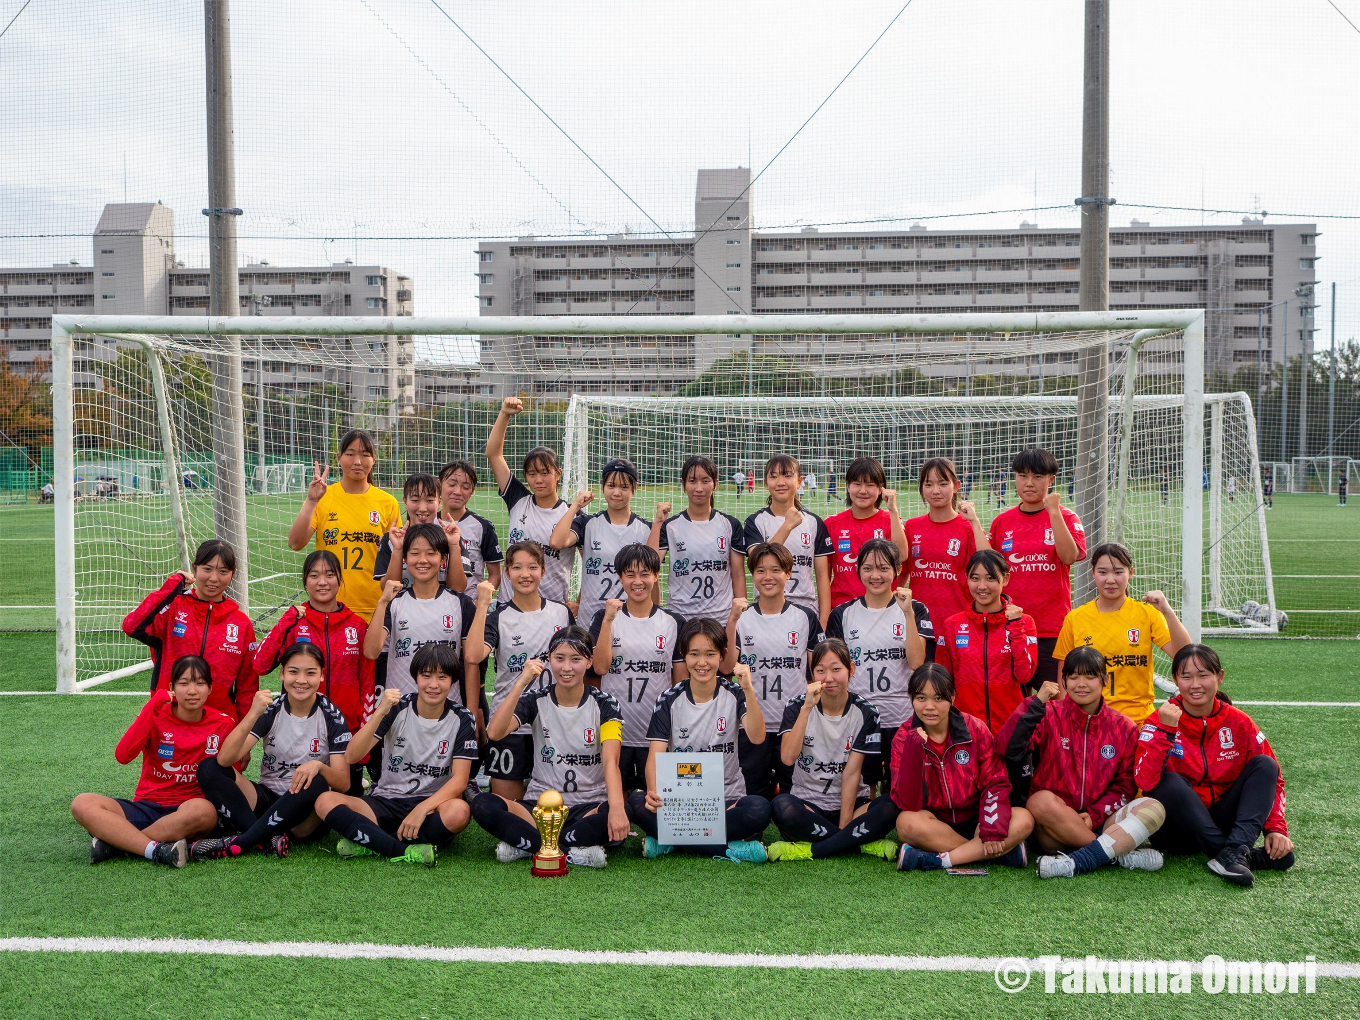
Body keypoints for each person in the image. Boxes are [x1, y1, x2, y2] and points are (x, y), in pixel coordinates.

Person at [473, 627, 635, 868]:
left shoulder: (605, 704)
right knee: (482, 804)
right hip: (539, 808)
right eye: (559, 659)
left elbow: (611, 761)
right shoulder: (536, 700)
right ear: (549, 660)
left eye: (576, 659)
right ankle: (572, 850)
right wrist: (521, 682)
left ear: (589, 661)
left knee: (622, 809)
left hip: (587, 806)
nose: (566, 668)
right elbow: (495, 732)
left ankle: (528, 845)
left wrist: (618, 810)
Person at [998, 646, 1166, 878]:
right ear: (1064, 682)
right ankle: (1114, 855)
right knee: (1039, 801)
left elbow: (1125, 786)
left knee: (1153, 808)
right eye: (1074, 677)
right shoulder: (1048, 713)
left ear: (1105, 680)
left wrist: (1094, 815)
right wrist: (1035, 704)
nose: (1081, 684)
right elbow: (1008, 747)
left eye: (1090, 676)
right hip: (1053, 826)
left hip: (1100, 821)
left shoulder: (1124, 727)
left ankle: (1083, 858)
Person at [1135, 644, 1294, 887]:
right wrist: (1166, 732)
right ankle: (1236, 854)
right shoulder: (1159, 719)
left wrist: (1276, 829)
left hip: (1223, 820)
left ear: (1219, 677)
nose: (1195, 684)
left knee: (1265, 765)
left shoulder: (1239, 722)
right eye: (1186, 676)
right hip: (1175, 831)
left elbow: (1275, 780)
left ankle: (1232, 851)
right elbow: (1145, 782)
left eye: (1203, 675)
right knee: (1169, 782)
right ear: (1175, 679)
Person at [314, 643, 479, 866]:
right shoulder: (396, 708)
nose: (433, 685)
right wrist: (380, 711)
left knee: (460, 811)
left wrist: (422, 809)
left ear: (452, 681)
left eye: (442, 677)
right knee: (325, 801)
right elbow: (352, 756)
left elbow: (460, 781)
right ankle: (403, 849)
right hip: (386, 799)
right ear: (415, 677)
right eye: (426, 676)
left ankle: (371, 843)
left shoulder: (462, 717)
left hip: (430, 805)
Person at [626, 619, 771, 863]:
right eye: (694, 654)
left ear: (722, 656)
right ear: (683, 655)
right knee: (637, 802)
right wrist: (652, 791)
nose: (702, 663)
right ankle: (728, 849)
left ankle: (670, 840)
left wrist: (748, 689)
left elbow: (757, 737)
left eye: (710, 654)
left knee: (759, 809)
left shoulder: (735, 694)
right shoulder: (669, 699)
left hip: (726, 800)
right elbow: (655, 756)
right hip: (682, 804)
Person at [191, 643, 353, 860]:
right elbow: (225, 759)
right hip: (268, 799)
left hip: (303, 814)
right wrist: (252, 714)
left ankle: (242, 842)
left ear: (322, 676)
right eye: (293, 672)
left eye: (310, 673)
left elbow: (343, 783)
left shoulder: (332, 715)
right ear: (282, 674)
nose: (301, 680)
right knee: (209, 768)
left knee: (318, 781)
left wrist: (318, 766)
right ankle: (267, 837)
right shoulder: (272, 709)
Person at [71, 655, 234, 867]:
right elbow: (123, 756)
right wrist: (152, 705)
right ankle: (155, 849)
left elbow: (230, 779)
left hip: (188, 810)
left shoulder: (224, 723)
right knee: (82, 803)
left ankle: (119, 843)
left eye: (200, 683)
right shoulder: (156, 714)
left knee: (203, 811)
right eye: (184, 683)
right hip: (147, 806)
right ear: (172, 687)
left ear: (210, 688)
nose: (192, 691)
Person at [890, 663, 1033, 871]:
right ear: (912, 699)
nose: (929, 706)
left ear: (952, 698)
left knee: (1024, 818)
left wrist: (991, 827)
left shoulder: (975, 728)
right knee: (905, 823)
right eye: (921, 698)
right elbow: (908, 802)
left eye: (938, 698)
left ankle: (940, 860)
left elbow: (995, 781)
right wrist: (914, 750)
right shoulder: (904, 737)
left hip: (978, 820)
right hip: (936, 825)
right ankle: (994, 855)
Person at [766, 639, 900, 861]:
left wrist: (845, 823)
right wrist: (807, 708)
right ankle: (857, 842)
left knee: (891, 804)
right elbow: (788, 758)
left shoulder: (867, 712)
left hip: (852, 806)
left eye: (836, 669)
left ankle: (812, 849)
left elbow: (852, 772)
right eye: (820, 670)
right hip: (808, 805)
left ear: (851, 669)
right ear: (812, 673)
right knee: (782, 807)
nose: (828, 678)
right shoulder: (796, 706)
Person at [253, 550, 374, 792]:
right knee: (298, 797)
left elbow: (367, 682)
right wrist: (287, 620)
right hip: (298, 733)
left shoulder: (358, 625)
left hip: (345, 732)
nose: (322, 582)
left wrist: (363, 732)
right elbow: (260, 665)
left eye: (330, 575)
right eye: (314, 575)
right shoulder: (294, 623)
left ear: (340, 579)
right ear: (305, 581)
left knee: (345, 800)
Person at [464, 543, 574, 800]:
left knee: (554, 802)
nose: (525, 574)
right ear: (507, 574)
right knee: (507, 806)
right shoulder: (499, 616)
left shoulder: (561, 612)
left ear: (543, 572)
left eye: (533, 567)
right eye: (517, 568)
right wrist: (482, 605)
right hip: (509, 724)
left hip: (553, 723)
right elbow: (472, 655)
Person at [824, 538, 929, 792]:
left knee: (902, 787)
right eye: (868, 568)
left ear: (897, 570)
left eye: (883, 568)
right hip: (860, 716)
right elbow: (834, 670)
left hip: (901, 715)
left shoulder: (915, 609)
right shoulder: (842, 614)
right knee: (865, 785)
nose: (876, 575)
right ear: (858, 570)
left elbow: (917, 662)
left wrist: (907, 614)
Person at [723, 542, 824, 800]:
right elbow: (725, 667)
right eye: (760, 571)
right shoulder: (741, 617)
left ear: (788, 573)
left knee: (795, 795)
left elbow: (817, 672)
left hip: (792, 724)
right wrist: (732, 621)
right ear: (752, 575)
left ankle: (794, 838)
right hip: (751, 725)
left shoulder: (805, 617)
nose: (768, 577)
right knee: (752, 797)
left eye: (776, 570)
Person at [1053, 542, 1190, 724]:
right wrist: (1064, 719)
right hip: (1090, 719)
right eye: (1103, 572)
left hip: (1139, 721)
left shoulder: (1147, 613)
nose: (1110, 580)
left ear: (1130, 573)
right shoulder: (1075, 618)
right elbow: (1064, 675)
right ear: (1093, 573)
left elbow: (1185, 655)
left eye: (1118, 572)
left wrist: (1168, 612)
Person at [122, 538, 257, 720]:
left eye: (223, 571)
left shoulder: (241, 623)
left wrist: (243, 734)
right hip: (166, 719)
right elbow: (131, 626)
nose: (214, 578)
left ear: (233, 573)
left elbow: (247, 687)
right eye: (207, 569)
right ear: (194, 568)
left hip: (218, 726)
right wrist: (171, 587)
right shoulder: (172, 608)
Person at [589, 544, 687, 792]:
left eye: (645, 574)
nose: (638, 581)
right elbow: (599, 668)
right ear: (620, 577)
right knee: (614, 797)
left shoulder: (673, 622)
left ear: (656, 575)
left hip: (656, 730)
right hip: (615, 728)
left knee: (656, 798)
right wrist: (610, 621)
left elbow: (680, 682)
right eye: (630, 574)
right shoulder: (604, 617)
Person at [986, 448, 1086, 690]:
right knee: (1013, 704)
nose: (1029, 483)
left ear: (1052, 480)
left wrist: (1053, 512)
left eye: (1038, 477)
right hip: (1009, 626)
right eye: (1022, 475)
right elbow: (989, 570)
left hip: (1052, 629)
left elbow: (1069, 556)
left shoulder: (1066, 517)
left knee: (1055, 703)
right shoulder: (1002, 522)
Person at [287, 429, 401, 622]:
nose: (357, 461)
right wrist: (311, 501)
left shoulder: (387, 503)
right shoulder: (323, 497)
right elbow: (295, 543)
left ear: (374, 459)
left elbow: (395, 557)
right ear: (339, 458)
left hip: (374, 606)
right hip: (329, 606)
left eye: (365, 455)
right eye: (350, 454)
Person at [364, 523, 477, 704]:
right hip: (400, 709)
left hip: (449, 710)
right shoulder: (393, 602)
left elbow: (471, 664)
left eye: (431, 553)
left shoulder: (461, 603)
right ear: (405, 559)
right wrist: (383, 601)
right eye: (415, 553)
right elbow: (370, 652)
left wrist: (471, 710)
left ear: (443, 559)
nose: (422, 560)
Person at [933, 549, 1038, 734]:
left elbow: (1024, 675)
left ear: (1005, 579)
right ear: (966, 579)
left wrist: (1014, 626)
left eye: (990, 578)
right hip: (965, 729)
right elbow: (942, 684)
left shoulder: (1024, 622)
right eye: (975, 578)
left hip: (1011, 729)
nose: (982, 586)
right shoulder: (952, 625)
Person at [486, 396, 575, 605]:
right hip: (509, 605)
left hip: (552, 610)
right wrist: (504, 414)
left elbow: (589, 559)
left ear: (558, 474)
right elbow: (493, 454)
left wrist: (579, 600)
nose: (539, 480)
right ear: (526, 476)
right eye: (532, 474)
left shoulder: (572, 514)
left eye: (545, 473)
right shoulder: (518, 499)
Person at [548, 458, 651, 629]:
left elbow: (652, 579)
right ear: (603, 486)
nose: (616, 492)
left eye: (624, 487)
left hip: (631, 621)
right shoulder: (587, 523)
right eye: (611, 486)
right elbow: (556, 542)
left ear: (634, 488)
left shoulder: (646, 529)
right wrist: (575, 506)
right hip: (590, 620)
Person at [649, 455, 748, 622]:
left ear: (715, 484)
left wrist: (740, 614)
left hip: (721, 619)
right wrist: (658, 523)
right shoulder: (671, 526)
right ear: (683, 484)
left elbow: (738, 574)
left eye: (706, 481)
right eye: (693, 481)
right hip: (681, 618)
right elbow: (649, 566)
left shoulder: (730, 524)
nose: (699, 488)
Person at [902, 457, 988, 648]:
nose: (935, 491)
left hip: (958, 625)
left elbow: (989, 565)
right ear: (922, 489)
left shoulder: (967, 527)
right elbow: (901, 572)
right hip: (918, 624)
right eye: (928, 484)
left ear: (956, 486)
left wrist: (975, 523)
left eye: (943, 484)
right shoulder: (912, 526)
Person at [742, 454, 834, 624]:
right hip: (766, 611)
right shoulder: (755, 522)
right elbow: (759, 562)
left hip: (806, 612)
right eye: (774, 476)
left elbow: (822, 577)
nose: (780, 482)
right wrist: (787, 526)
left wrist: (823, 621)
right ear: (766, 483)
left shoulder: (814, 522)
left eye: (787, 475)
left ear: (799, 481)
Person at [824, 456, 910, 610]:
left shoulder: (891, 520)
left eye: (870, 485)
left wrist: (893, 511)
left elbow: (902, 556)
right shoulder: (831, 524)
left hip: (882, 610)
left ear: (880, 488)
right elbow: (824, 576)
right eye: (857, 484)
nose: (863, 491)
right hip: (841, 609)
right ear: (848, 486)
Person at [374, 472, 466, 592]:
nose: (423, 508)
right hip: (402, 610)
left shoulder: (452, 538)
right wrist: (398, 550)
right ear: (405, 502)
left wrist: (453, 547)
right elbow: (389, 590)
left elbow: (458, 589)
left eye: (430, 500)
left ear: (439, 502)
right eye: (415, 500)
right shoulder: (390, 539)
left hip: (444, 610)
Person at [436, 459, 503, 594]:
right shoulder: (427, 524)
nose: (457, 491)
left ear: (472, 491)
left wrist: (480, 602)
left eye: (465, 487)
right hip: (433, 606)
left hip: (469, 605)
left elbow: (495, 574)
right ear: (439, 485)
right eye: (452, 484)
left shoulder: (483, 526)